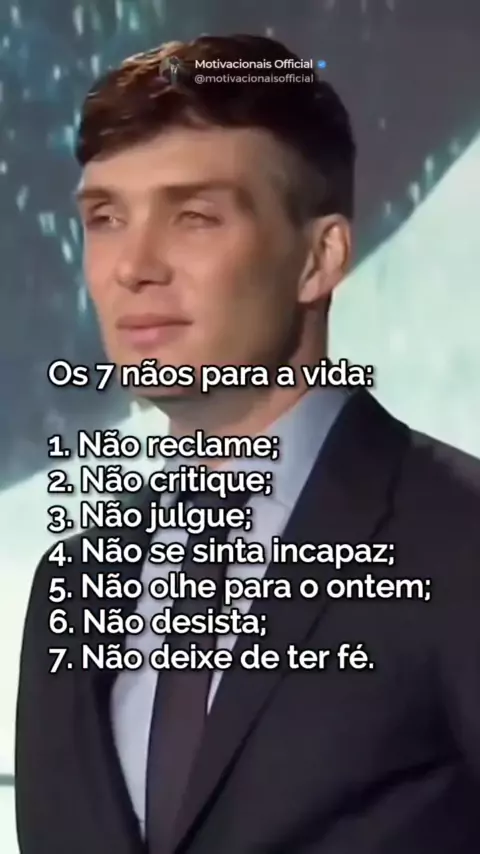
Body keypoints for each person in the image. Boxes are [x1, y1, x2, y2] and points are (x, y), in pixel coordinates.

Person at [15, 33, 480, 854]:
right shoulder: (75, 582)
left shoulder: (459, 538)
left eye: (193, 217)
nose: (133, 267)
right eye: (106, 218)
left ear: (319, 259)